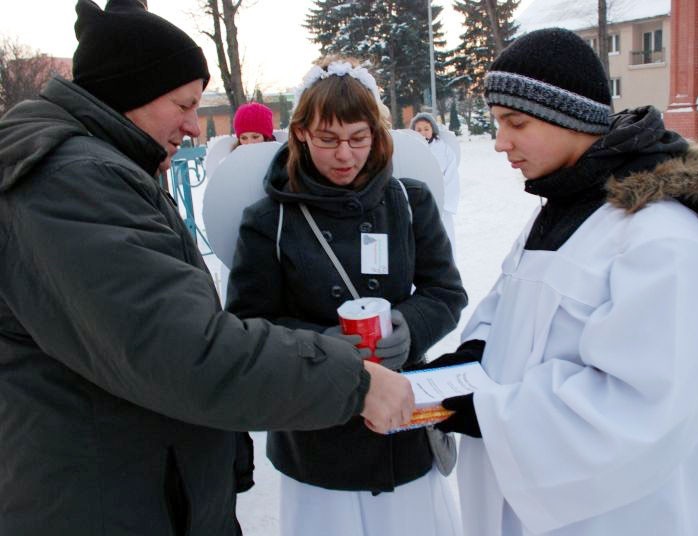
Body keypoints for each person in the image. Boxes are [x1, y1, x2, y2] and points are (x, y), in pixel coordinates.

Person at [0, 2, 414, 534]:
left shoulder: (101, 170)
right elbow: (181, 348)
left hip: (141, 487)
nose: (195, 125)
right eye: (184, 104)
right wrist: (350, 379)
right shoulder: (70, 183)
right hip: (106, 502)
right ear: (132, 92)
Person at [426, 28, 698, 536]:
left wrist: (490, 412)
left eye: (515, 122)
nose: (500, 142)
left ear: (568, 117)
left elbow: (644, 406)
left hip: (620, 516)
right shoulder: (564, 209)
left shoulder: (661, 237)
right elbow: (509, 306)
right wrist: (473, 353)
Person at [226, 57, 468, 536]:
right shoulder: (270, 219)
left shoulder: (409, 201)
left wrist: (410, 325)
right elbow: (247, 325)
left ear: (377, 134)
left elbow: (446, 292)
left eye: (358, 139)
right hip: (317, 438)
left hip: (403, 427)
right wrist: (323, 345)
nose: (345, 156)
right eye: (328, 140)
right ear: (299, 134)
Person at [410, 112, 460, 250]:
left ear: (433, 129)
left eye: (426, 128)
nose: (423, 133)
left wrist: (444, 201)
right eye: (419, 130)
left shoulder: (444, 150)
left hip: (441, 203)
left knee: (442, 239)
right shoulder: (411, 150)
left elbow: (451, 176)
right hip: (418, 202)